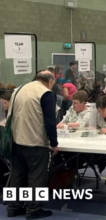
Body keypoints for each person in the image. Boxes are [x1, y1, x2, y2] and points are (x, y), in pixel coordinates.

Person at [7, 71, 59, 219]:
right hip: (35, 142)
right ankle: (33, 209)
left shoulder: (18, 90)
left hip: (16, 140)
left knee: (17, 176)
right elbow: (50, 122)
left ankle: (13, 207)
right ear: (50, 82)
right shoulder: (45, 93)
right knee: (37, 177)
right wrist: (54, 143)